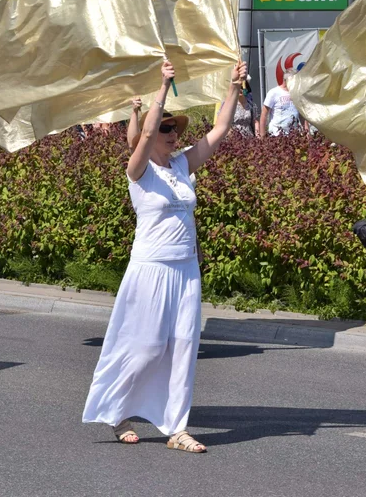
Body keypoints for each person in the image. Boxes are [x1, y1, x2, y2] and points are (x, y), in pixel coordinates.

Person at [83, 58, 248, 454]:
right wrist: (160, 89)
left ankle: (177, 428)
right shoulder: (139, 171)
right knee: (145, 347)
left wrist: (234, 87)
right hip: (151, 269)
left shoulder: (181, 165)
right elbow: (143, 136)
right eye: (168, 129)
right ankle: (115, 412)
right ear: (151, 134)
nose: (175, 134)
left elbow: (221, 130)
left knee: (184, 347)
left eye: (176, 129)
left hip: (186, 268)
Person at [259, 68, 304, 137]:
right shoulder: (274, 93)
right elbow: (264, 114)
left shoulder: (297, 93)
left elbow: (302, 115)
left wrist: (307, 132)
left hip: (293, 136)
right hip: (276, 135)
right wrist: (262, 135)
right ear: (286, 80)